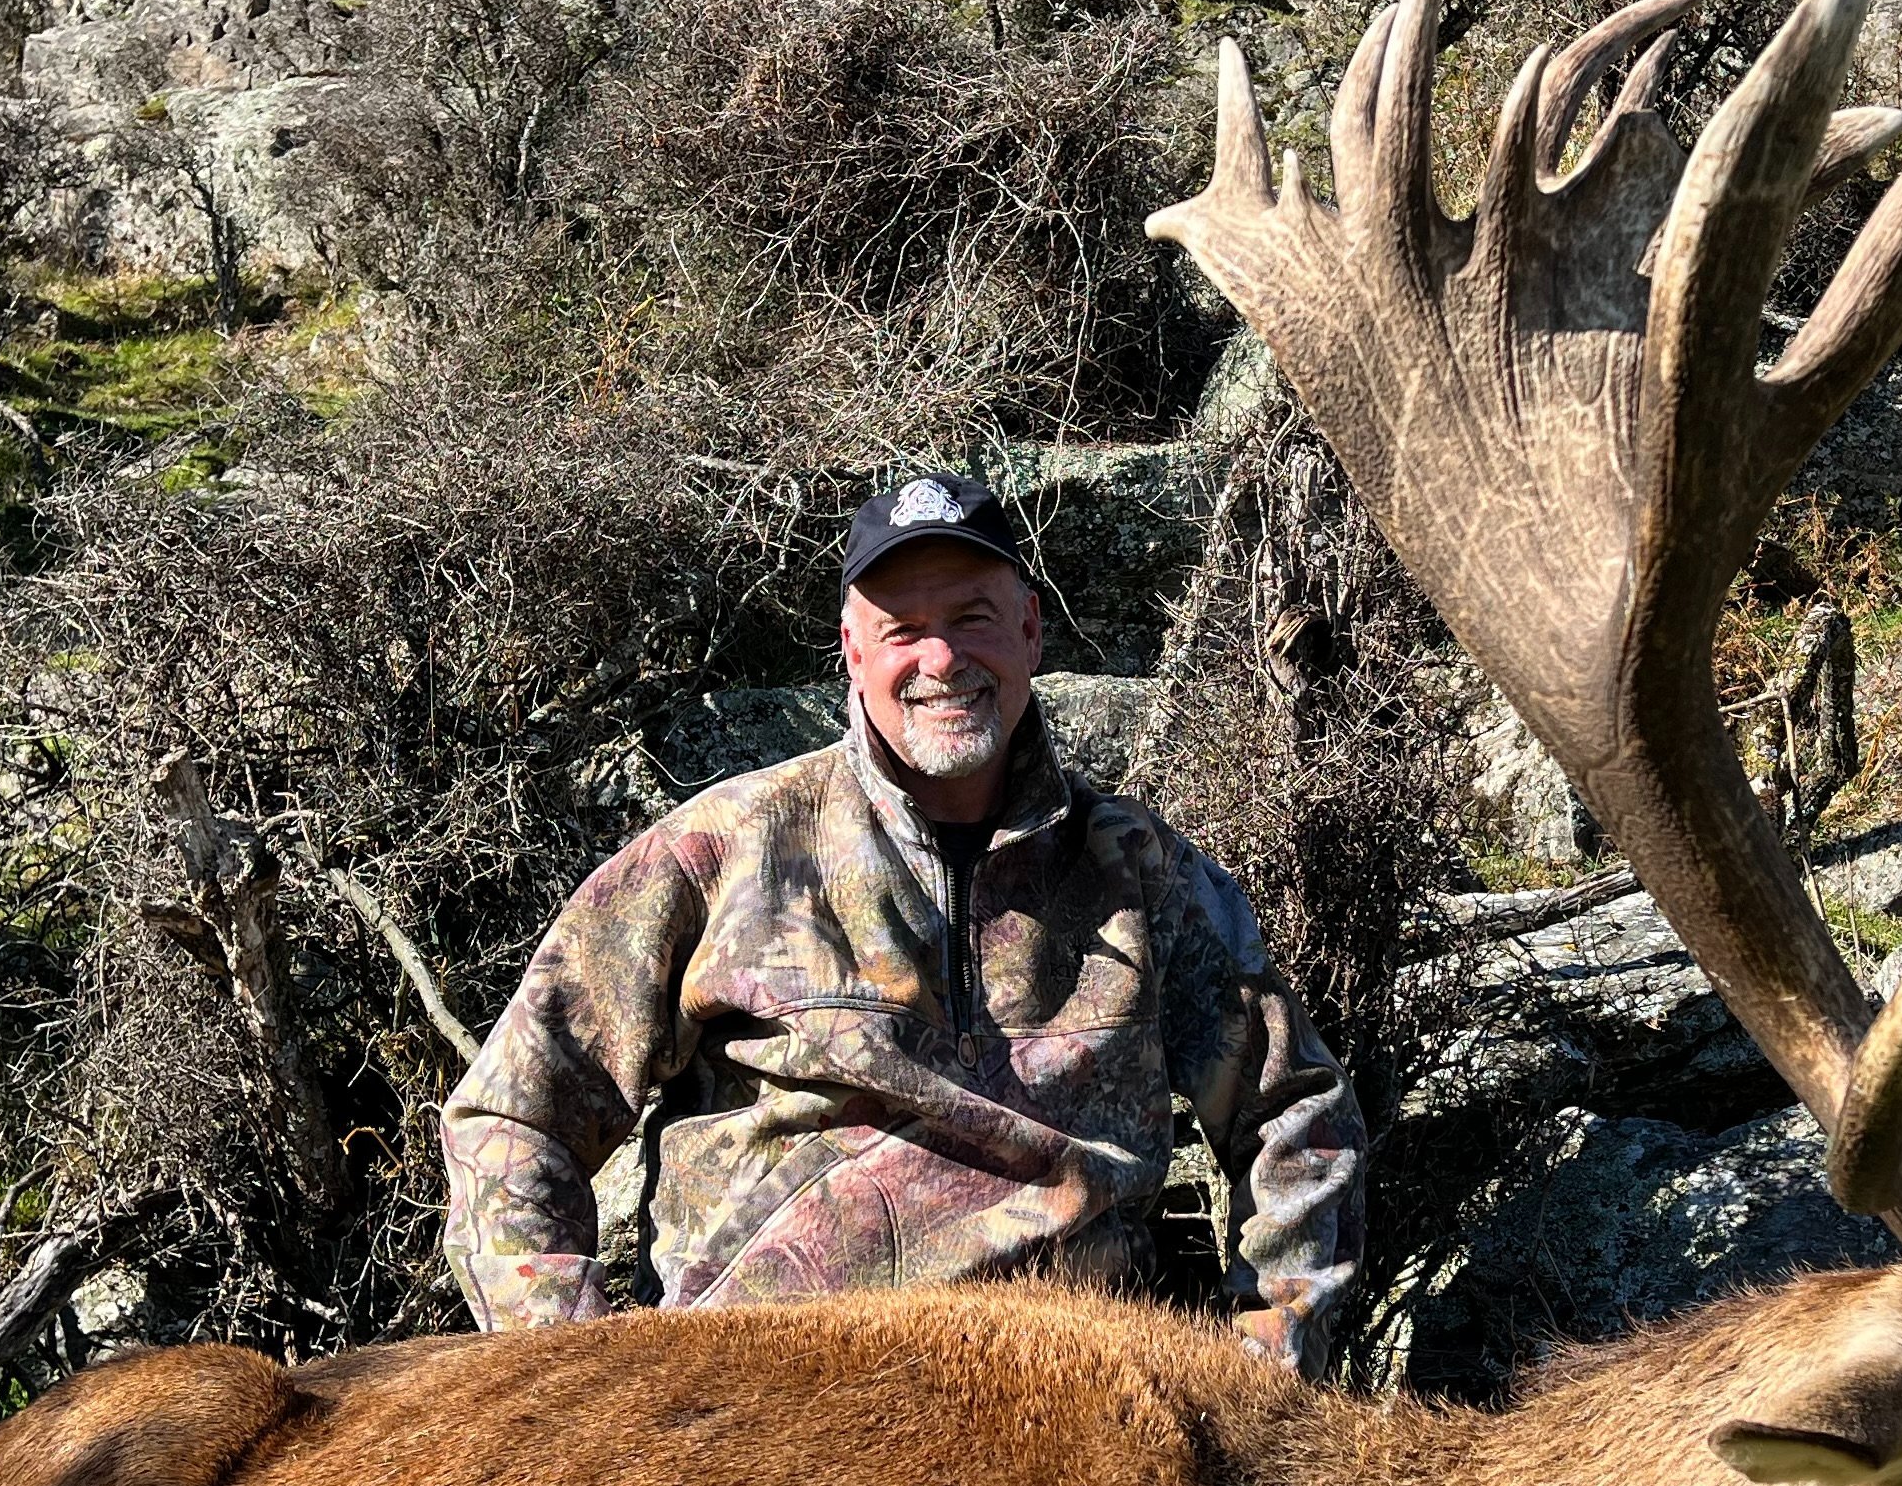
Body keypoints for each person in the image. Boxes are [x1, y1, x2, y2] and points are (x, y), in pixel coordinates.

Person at [438, 466, 1369, 1371]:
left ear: (1031, 632)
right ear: (852, 652)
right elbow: (512, 1116)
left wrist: (1266, 1357)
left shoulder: (1142, 871)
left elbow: (1295, 1108)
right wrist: (578, 1374)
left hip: (1078, 1416)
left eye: (972, 620)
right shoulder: (722, 850)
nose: (942, 660)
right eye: (902, 632)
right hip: (759, 1414)